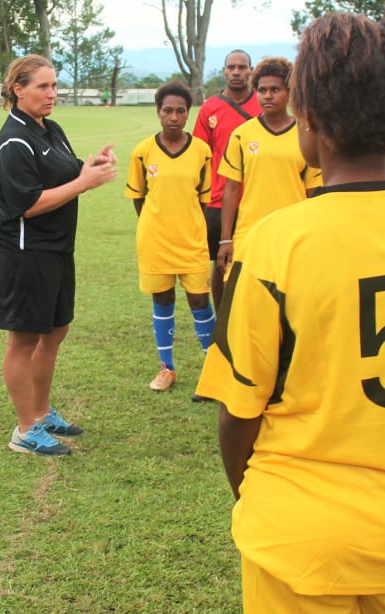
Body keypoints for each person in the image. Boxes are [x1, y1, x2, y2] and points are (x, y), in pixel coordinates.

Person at [195, 14, 385, 614]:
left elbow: (238, 410)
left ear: (308, 113)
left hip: (298, 524)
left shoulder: (278, 241)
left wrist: (256, 494)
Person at [0, 54, 116, 456]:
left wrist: (89, 166)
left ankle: (42, 412)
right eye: (43, 86)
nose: (52, 94)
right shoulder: (13, 141)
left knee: (56, 330)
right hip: (26, 253)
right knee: (24, 338)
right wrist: (85, 183)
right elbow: (27, 204)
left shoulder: (50, 129)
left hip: (57, 249)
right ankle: (25, 429)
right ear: (18, 89)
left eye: (54, 85)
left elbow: (68, 171)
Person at [124, 80, 213, 392]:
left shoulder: (202, 151)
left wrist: (185, 223)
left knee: (200, 300)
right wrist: (155, 223)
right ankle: (167, 368)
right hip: (155, 240)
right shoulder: (142, 151)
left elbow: (203, 198)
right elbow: (139, 196)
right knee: (162, 300)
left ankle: (214, 371)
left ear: (188, 113)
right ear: (158, 112)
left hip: (192, 240)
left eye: (180, 111)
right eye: (168, 110)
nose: (174, 116)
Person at [216, 56, 313, 274]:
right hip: (249, 233)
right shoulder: (242, 135)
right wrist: (225, 240)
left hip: (293, 235)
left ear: (289, 93)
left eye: (275, 89)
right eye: (262, 90)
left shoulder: (306, 134)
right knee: (244, 300)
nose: (268, 95)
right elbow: (230, 189)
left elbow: (314, 192)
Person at [193, 49, 260, 312]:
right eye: (231, 67)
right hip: (218, 200)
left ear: (250, 71)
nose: (236, 72)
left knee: (257, 262)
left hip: (255, 199)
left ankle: (251, 315)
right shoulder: (210, 108)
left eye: (242, 67)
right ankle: (222, 321)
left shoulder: (262, 103)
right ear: (224, 71)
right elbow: (200, 155)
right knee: (221, 262)